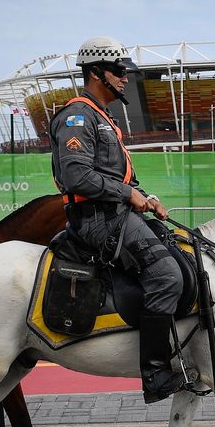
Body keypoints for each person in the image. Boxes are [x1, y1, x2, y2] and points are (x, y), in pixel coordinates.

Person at [49, 35, 187, 404]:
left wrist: (149, 198)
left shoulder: (103, 118)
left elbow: (123, 178)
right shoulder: (77, 116)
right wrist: (129, 195)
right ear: (97, 73)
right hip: (98, 220)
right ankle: (156, 373)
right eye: (119, 71)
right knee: (167, 276)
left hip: (119, 213)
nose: (126, 78)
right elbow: (76, 178)